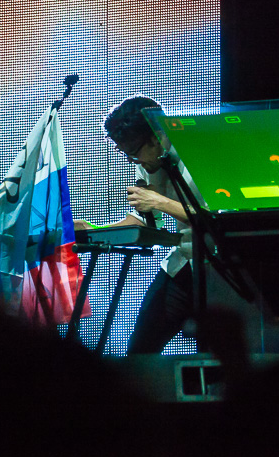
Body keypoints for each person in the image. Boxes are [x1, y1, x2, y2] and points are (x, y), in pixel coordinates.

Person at [76, 95, 198, 354]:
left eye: (134, 153)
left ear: (157, 137)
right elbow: (145, 222)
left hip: (220, 266)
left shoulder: (198, 153)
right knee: (140, 350)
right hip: (183, 262)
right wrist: (93, 230)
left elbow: (216, 218)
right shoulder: (148, 161)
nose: (133, 161)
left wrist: (159, 201)